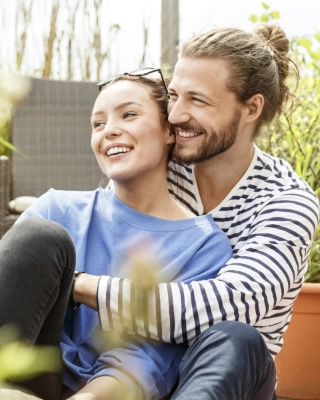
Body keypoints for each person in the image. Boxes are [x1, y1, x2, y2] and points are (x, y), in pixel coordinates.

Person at [73, 24, 320, 399]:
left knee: (233, 336)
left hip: (223, 377)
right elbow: (110, 238)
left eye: (198, 101)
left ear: (251, 107)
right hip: (134, 365)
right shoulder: (163, 164)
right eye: (173, 95)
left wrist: (77, 283)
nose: (174, 115)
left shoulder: (285, 202)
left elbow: (222, 308)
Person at [0, 70, 233, 400]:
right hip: (18, 380)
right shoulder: (56, 208)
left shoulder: (204, 247)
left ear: (170, 131)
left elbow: (145, 361)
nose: (109, 130)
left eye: (129, 114)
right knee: (39, 237)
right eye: (98, 124)